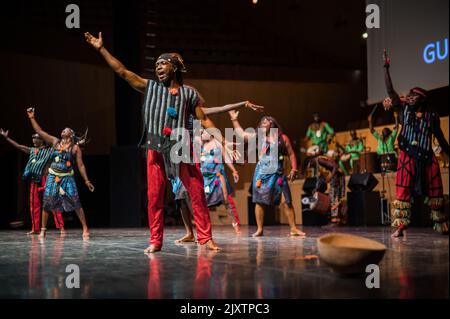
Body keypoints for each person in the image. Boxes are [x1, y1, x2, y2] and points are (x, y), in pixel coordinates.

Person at [85, 31, 262, 252]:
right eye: (156, 64)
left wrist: (224, 141)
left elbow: (204, 119)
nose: (158, 67)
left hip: (181, 147)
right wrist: (101, 48)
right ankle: (155, 240)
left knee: (197, 193)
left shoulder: (189, 94)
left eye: (163, 64)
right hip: (156, 147)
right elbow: (122, 71)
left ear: (174, 67)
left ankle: (205, 237)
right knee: (154, 196)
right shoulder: (149, 87)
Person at [383, 49, 449, 237]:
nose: (410, 98)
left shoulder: (431, 116)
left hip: (428, 157)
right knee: (403, 192)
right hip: (407, 156)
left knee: (436, 193)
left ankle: (442, 225)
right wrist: (386, 67)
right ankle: (401, 228)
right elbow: (390, 90)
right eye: (409, 96)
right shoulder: (403, 109)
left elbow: (442, 139)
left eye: (414, 97)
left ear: (423, 100)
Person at [228, 110, 305, 237]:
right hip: (262, 174)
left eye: (267, 120)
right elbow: (241, 134)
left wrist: (294, 169)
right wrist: (234, 119)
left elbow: (291, 154)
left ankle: (293, 228)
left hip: (278, 173)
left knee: (287, 201)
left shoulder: (282, 138)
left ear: (273, 124)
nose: (264, 121)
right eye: (262, 120)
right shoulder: (258, 136)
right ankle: (259, 229)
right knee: (259, 201)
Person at [26, 108, 94, 239]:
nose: (63, 130)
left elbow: (80, 165)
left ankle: (85, 228)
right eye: (63, 129)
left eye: (66, 129)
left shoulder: (75, 148)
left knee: (75, 202)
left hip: (67, 178)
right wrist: (32, 117)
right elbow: (39, 131)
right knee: (47, 202)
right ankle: (43, 230)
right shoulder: (55, 142)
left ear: (71, 134)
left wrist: (87, 181)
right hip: (52, 176)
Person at [0, 129, 65, 234]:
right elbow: (19, 146)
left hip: (46, 179)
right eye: (33, 138)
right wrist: (7, 138)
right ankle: (35, 228)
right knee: (34, 205)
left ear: (42, 140)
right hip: (35, 180)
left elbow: (59, 145)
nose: (34, 140)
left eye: (36, 138)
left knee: (52, 203)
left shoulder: (50, 150)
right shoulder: (32, 150)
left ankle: (61, 227)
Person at [305, 155, 347, 225]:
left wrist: (330, 177)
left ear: (311, 161)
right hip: (336, 176)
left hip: (338, 176)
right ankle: (338, 218)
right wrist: (316, 189)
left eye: (310, 165)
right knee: (334, 198)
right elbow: (321, 179)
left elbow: (335, 167)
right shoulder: (318, 163)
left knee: (334, 198)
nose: (311, 167)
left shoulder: (320, 160)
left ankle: (335, 220)